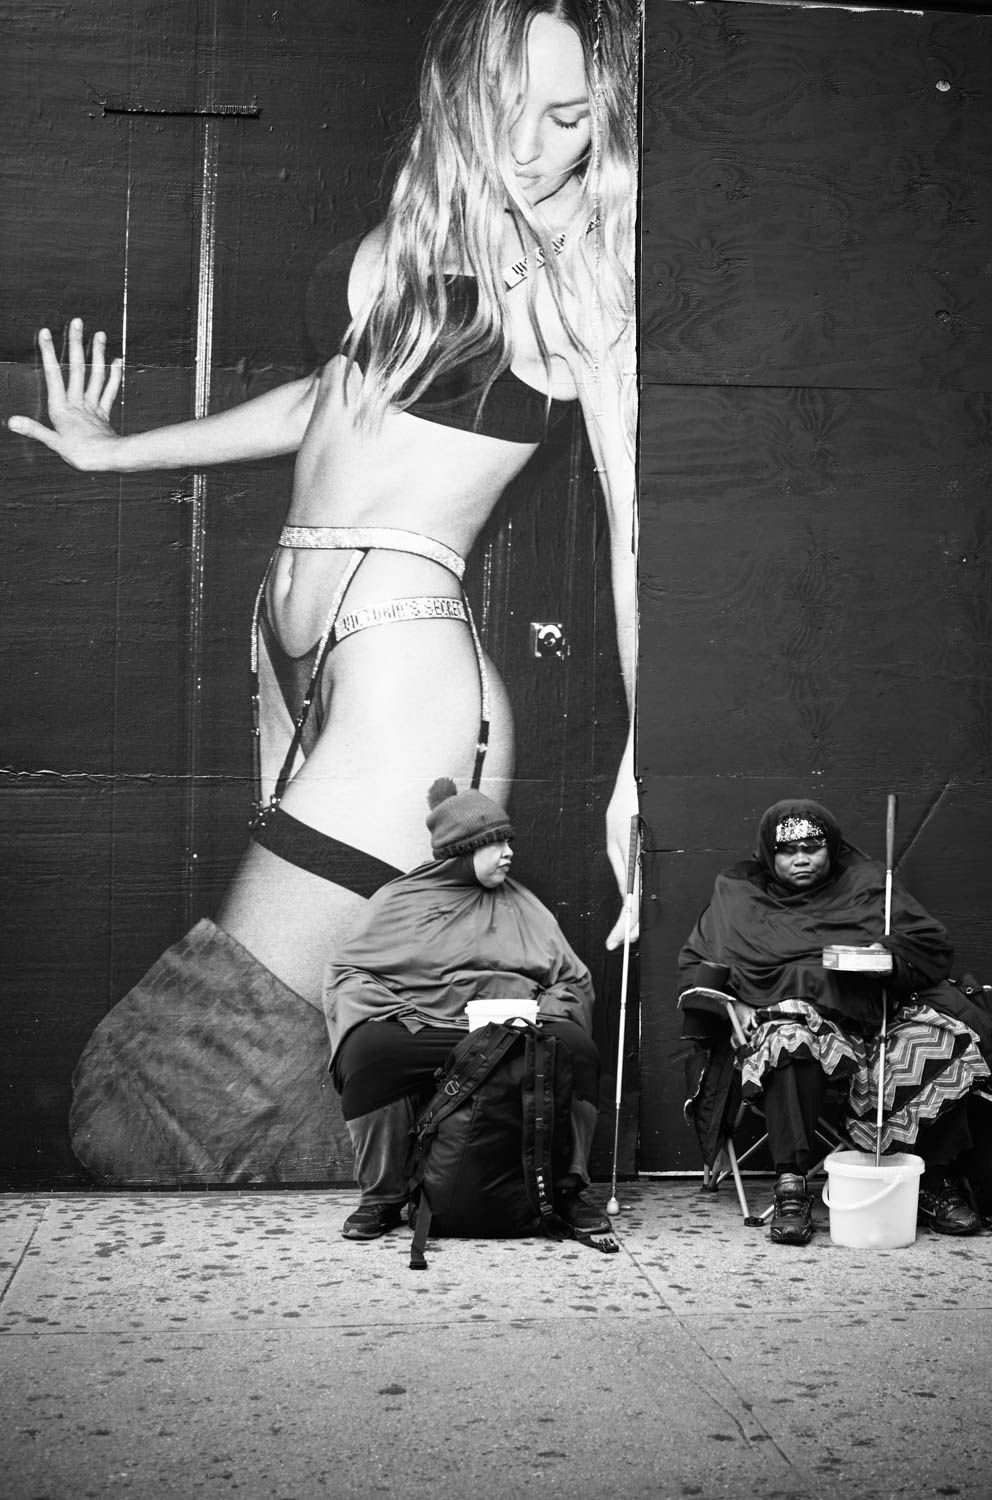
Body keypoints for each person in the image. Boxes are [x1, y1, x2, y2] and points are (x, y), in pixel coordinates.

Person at [6, 0, 640, 1183]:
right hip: (301, 655)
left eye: (566, 117)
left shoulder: (592, 269)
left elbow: (635, 527)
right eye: (507, 109)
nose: (529, 146)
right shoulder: (432, 220)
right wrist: (116, 451)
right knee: (303, 1060)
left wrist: (639, 760)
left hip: (406, 677)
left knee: (177, 1080)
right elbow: (333, 398)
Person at [678, 798, 991, 1244]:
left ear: (832, 848)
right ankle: (791, 1186)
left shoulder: (866, 883)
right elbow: (696, 967)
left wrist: (887, 958)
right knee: (790, 1039)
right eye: (788, 851)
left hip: (868, 1020)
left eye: (812, 848)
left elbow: (930, 946)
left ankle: (930, 1180)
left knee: (940, 1040)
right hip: (780, 1021)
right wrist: (734, 1005)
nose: (801, 859)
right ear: (769, 854)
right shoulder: (738, 893)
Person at [326, 777, 616, 1249]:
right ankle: (382, 1197)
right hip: (427, 1026)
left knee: (577, 1050)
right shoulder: (399, 900)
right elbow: (349, 974)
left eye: (508, 841)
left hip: (512, 1028)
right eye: (494, 843)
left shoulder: (523, 905)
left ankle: (566, 1193)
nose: (508, 853)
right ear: (462, 851)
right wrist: (399, 1014)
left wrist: (540, 1011)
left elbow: (571, 980)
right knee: (370, 1053)